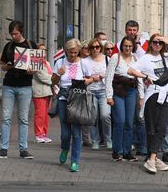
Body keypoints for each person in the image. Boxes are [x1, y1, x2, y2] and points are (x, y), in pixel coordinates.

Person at [134, 34, 168, 174]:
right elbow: (131, 70)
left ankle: (152, 158)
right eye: (155, 42)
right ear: (150, 43)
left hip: (166, 95)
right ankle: (153, 158)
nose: (158, 45)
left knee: (162, 128)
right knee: (152, 128)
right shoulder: (145, 58)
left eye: (160, 43)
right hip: (153, 94)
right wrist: (145, 77)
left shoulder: (166, 56)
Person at [0, 20, 37, 160]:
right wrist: (5, 67)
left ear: (22, 32)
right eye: (12, 34)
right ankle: (3, 149)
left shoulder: (31, 45)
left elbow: (37, 66)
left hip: (25, 86)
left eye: (16, 34)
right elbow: (1, 64)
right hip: (9, 85)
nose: (14, 36)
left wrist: (32, 71)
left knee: (23, 119)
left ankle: (23, 149)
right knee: (6, 118)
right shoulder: (9, 46)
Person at [52, 39, 93, 172]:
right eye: (70, 52)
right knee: (65, 133)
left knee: (76, 133)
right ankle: (65, 148)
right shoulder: (60, 62)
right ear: (66, 51)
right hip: (64, 99)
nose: (73, 55)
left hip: (78, 100)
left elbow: (90, 78)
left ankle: (75, 160)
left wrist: (87, 81)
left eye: (75, 52)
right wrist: (59, 73)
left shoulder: (84, 63)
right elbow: (52, 81)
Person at [106, 36, 144, 162]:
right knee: (120, 121)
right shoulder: (115, 58)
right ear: (121, 46)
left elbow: (139, 78)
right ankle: (117, 151)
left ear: (133, 47)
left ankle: (127, 151)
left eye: (130, 46)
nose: (127, 48)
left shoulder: (136, 58)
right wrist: (109, 96)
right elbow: (109, 77)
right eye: (125, 45)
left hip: (131, 91)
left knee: (129, 122)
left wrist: (141, 96)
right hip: (118, 91)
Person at [82, 38, 112, 150]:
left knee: (105, 115)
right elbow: (82, 77)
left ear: (101, 48)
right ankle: (95, 140)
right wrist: (90, 79)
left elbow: (112, 74)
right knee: (93, 117)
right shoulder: (84, 61)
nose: (95, 49)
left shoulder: (107, 59)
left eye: (97, 47)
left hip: (104, 91)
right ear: (89, 49)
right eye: (93, 47)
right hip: (90, 91)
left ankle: (108, 138)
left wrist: (103, 75)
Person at [32, 43, 53, 143]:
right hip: (39, 92)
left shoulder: (47, 63)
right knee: (39, 114)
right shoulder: (35, 62)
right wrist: (54, 80)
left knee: (45, 115)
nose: (43, 51)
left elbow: (50, 75)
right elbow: (42, 77)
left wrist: (53, 79)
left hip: (47, 91)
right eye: (41, 50)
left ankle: (44, 134)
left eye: (45, 50)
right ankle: (38, 134)